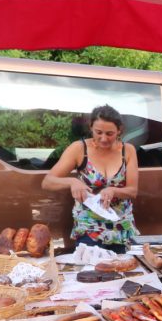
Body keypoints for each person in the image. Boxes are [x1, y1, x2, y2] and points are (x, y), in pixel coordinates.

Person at [41, 105, 139, 252]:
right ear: (91, 127)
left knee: (121, 272)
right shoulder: (79, 149)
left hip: (120, 225)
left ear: (119, 130)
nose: (104, 138)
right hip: (88, 225)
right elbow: (48, 182)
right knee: (90, 271)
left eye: (110, 133)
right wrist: (72, 181)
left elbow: (132, 191)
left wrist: (113, 190)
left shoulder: (128, 150)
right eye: (98, 132)